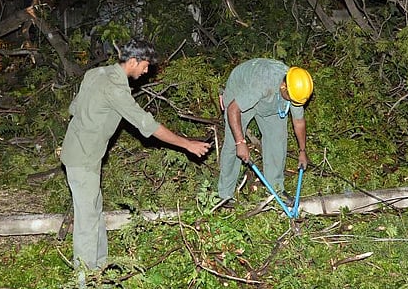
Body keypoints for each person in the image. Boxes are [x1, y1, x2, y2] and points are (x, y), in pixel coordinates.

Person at [60, 39, 211, 271]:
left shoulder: (95, 73)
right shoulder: (115, 89)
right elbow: (147, 125)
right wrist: (187, 144)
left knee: (94, 212)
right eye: (146, 65)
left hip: (79, 152)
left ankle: (99, 270)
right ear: (132, 61)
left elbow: (74, 108)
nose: (147, 70)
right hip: (83, 159)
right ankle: (87, 283)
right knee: (87, 222)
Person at [217, 59, 313, 206]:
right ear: (283, 86)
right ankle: (225, 195)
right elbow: (233, 110)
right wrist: (240, 142)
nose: (295, 104)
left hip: (270, 99)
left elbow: (299, 122)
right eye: (292, 100)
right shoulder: (262, 83)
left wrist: (302, 150)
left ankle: (275, 190)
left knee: (277, 140)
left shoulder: (296, 89)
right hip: (241, 91)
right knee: (233, 145)